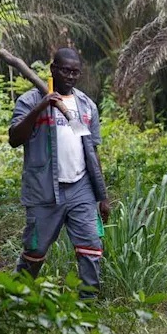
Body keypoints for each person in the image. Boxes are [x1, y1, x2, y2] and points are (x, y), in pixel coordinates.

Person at [9, 47, 111, 298]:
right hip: (44, 189)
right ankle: (15, 302)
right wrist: (41, 107)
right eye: (66, 70)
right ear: (53, 69)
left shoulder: (86, 106)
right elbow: (14, 138)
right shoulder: (31, 100)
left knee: (91, 249)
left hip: (81, 188)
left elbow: (91, 150)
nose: (71, 76)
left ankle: (87, 309)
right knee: (34, 252)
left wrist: (102, 195)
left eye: (76, 72)